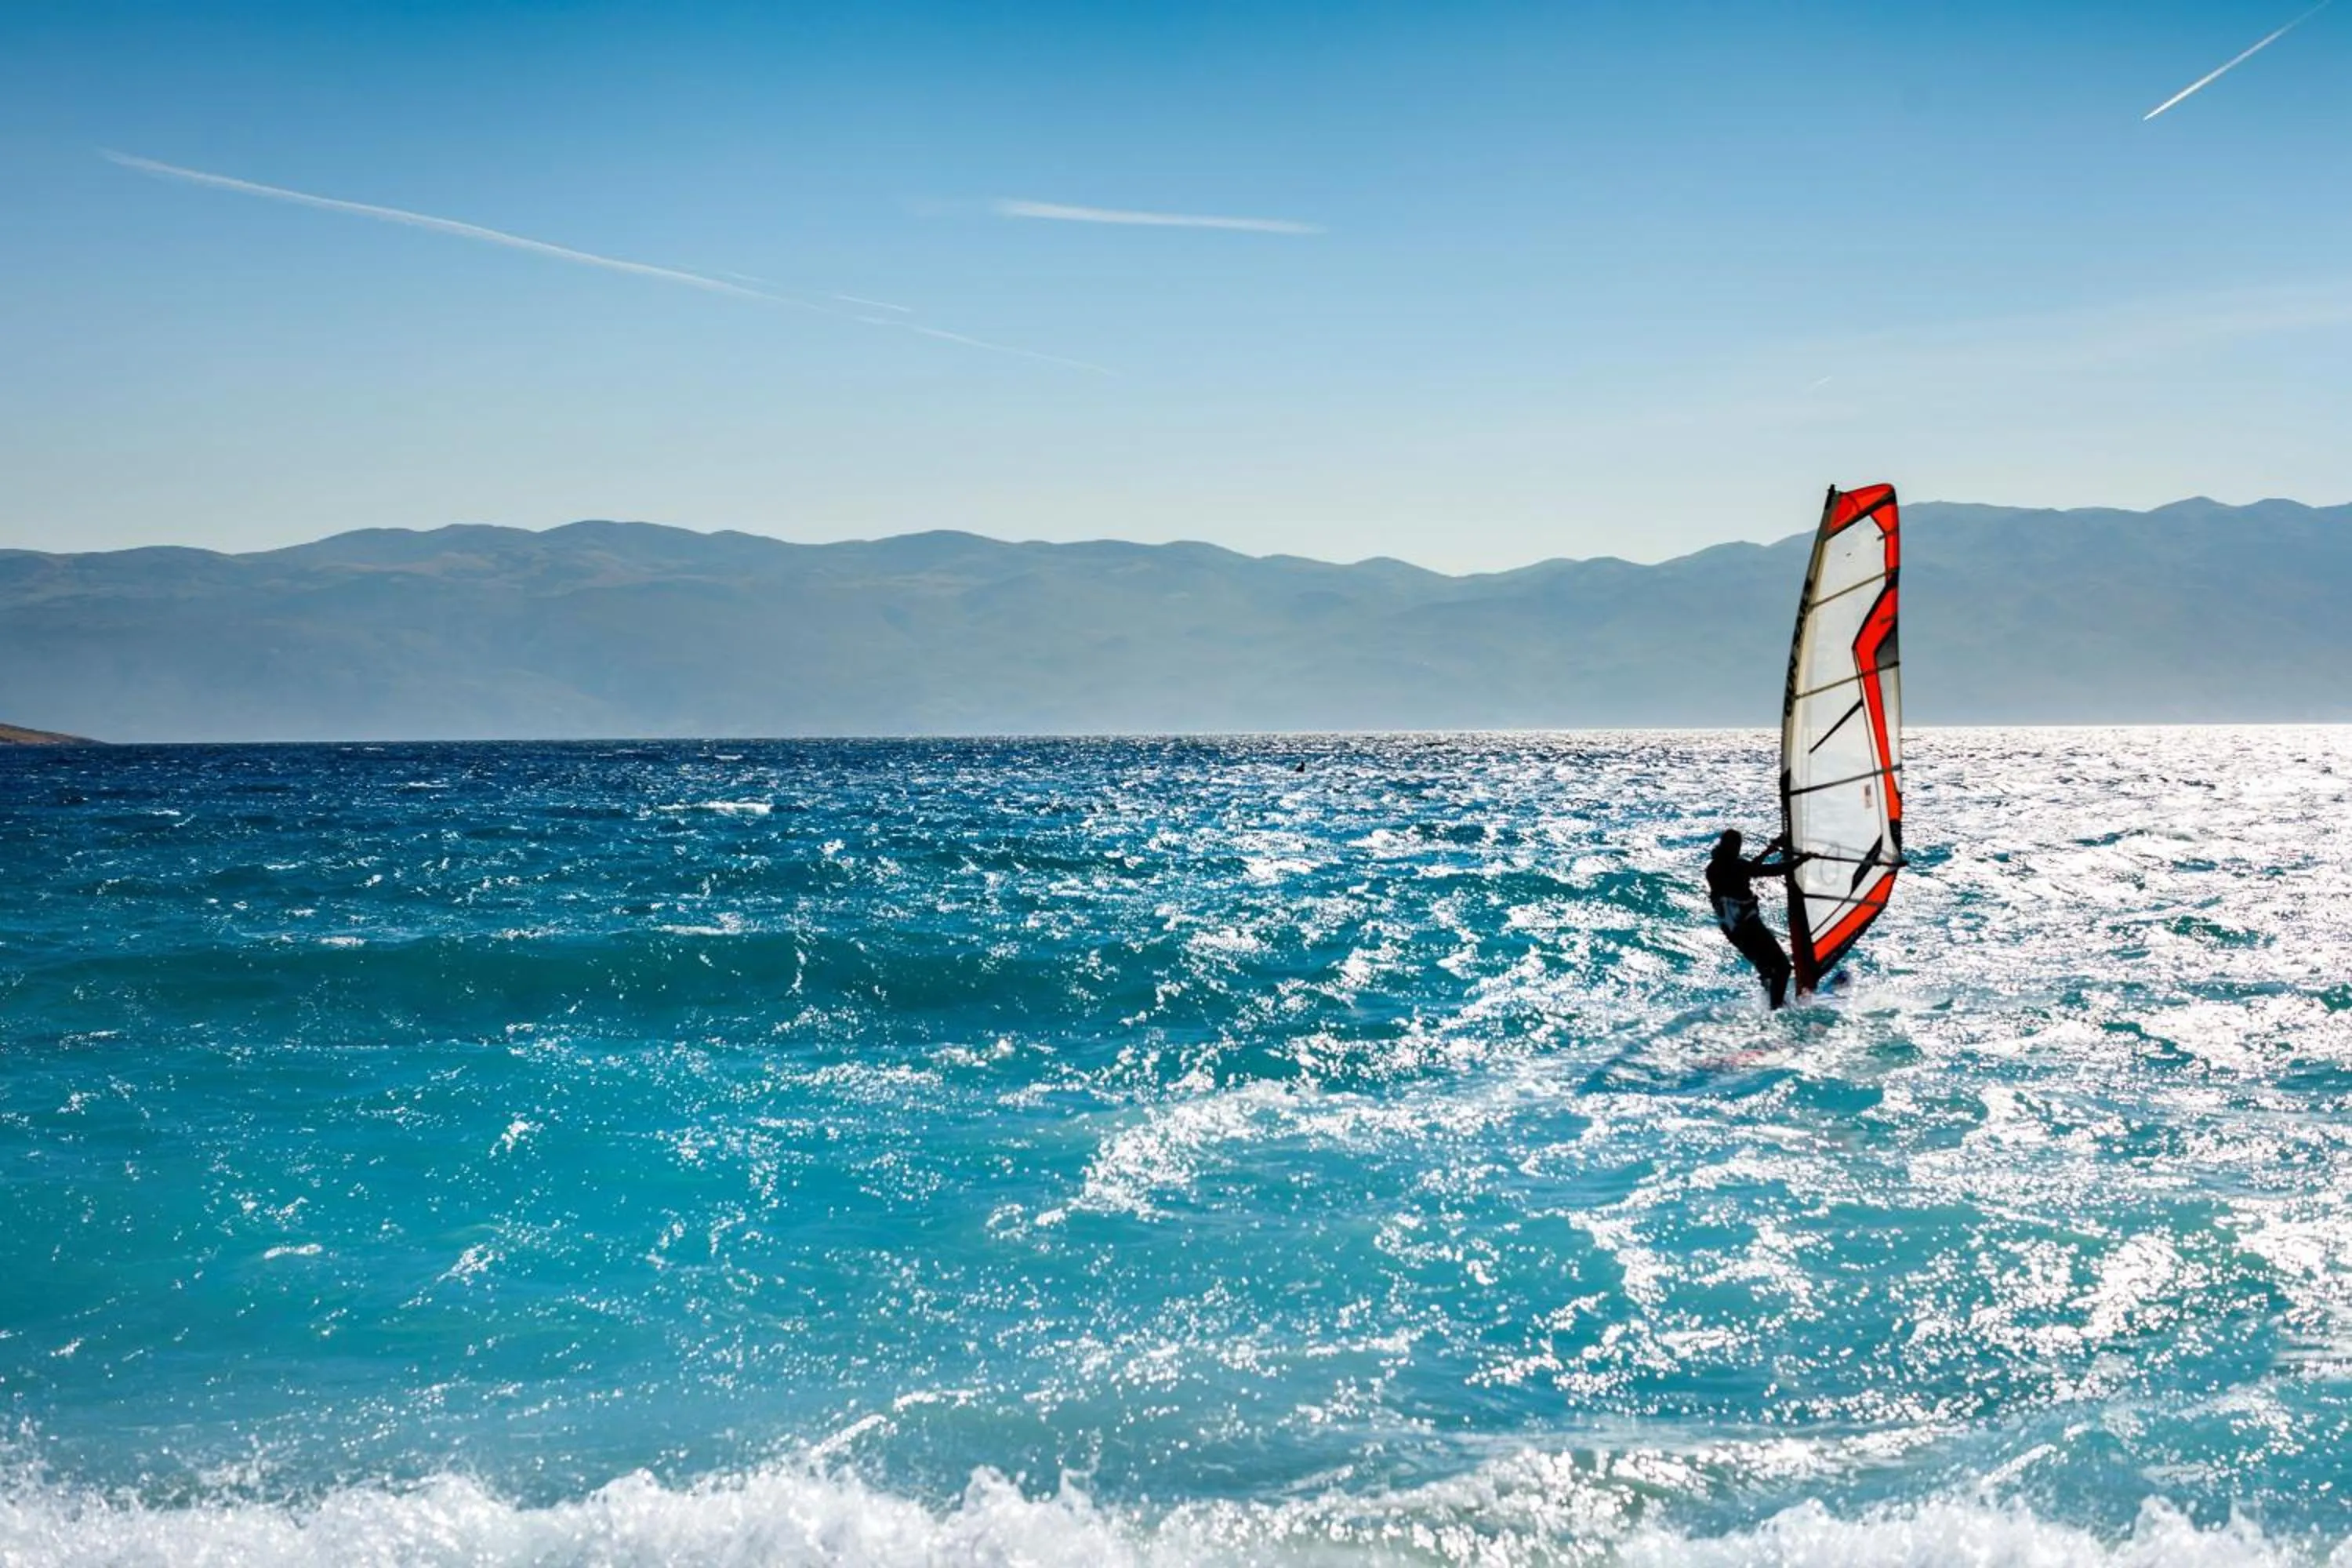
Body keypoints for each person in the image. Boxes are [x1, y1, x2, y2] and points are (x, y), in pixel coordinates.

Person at [1706, 829, 1806, 1009]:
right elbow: (1767, 870)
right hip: (1747, 927)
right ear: (1731, 847)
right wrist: (1801, 860)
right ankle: (1777, 1009)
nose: (1738, 849)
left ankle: (1774, 1005)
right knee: (1782, 968)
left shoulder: (1715, 867)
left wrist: (1770, 851)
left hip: (1733, 931)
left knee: (1768, 970)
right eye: (1736, 846)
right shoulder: (1734, 867)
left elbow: (1749, 870)